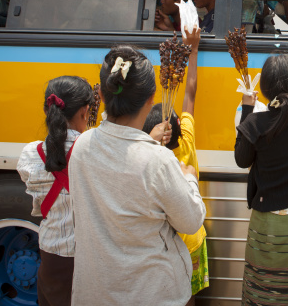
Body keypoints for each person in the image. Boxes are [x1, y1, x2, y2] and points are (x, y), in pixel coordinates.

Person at [69, 45, 206, 305]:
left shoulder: (82, 146)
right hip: (152, 293)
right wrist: (189, 178)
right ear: (151, 98)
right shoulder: (157, 159)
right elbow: (191, 222)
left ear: (101, 93)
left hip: (96, 292)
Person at [234, 13, 288, 305]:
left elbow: (242, 161)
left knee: (264, 291)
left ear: (264, 90)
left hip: (268, 229)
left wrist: (248, 109)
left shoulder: (255, 125)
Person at [143, 25, 208, 306]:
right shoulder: (188, 141)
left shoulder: (147, 157)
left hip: (163, 246)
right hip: (193, 242)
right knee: (188, 296)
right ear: (180, 126)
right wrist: (192, 49)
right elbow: (190, 94)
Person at [17, 76, 94, 306]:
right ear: (85, 112)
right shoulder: (94, 151)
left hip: (50, 261)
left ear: (47, 110)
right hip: (88, 262)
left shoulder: (30, 155)